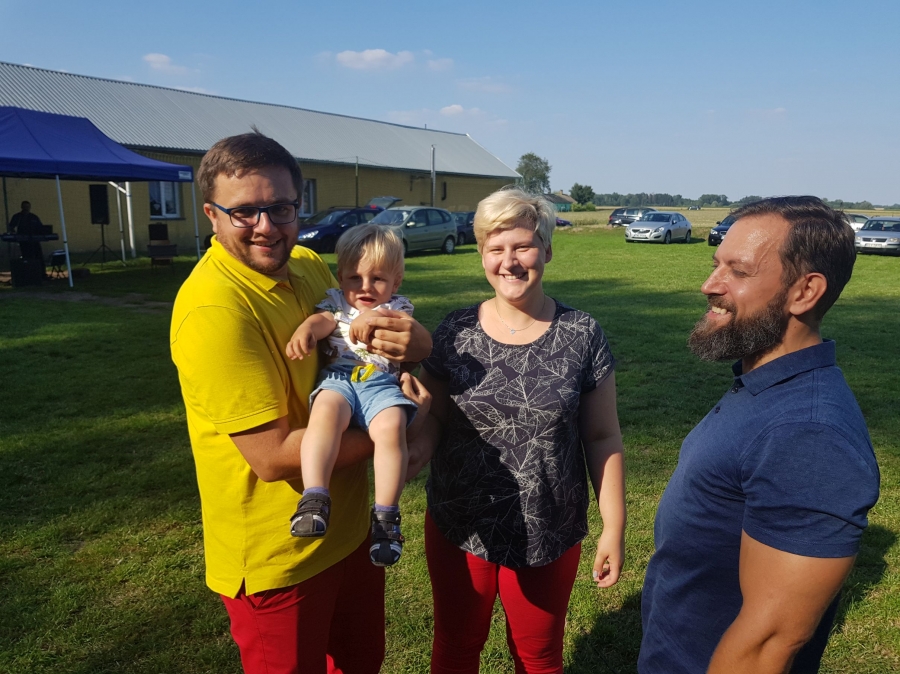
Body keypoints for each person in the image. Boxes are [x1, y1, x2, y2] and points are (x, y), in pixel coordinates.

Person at [170, 131, 432, 674]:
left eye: (281, 207)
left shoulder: (310, 265)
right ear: (211, 215)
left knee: (361, 664)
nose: (267, 226)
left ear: (298, 205)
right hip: (280, 559)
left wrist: (419, 347)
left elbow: (380, 335)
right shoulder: (215, 310)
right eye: (244, 212)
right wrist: (400, 429)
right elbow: (271, 457)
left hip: (353, 532)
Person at [639, 196, 881, 674]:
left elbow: (769, 642)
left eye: (739, 271)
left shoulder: (808, 434)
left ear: (805, 292)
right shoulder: (764, 385)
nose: (710, 285)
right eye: (716, 264)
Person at [415, 187, 626, 673]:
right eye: (496, 248)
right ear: (481, 255)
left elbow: (602, 437)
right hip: (460, 521)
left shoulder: (582, 334)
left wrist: (613, 527)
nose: (509, 262)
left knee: (538, 657)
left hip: (548, 525)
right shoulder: (454, 332)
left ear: (546, 250)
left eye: (523, 246)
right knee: (456, 646)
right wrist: (404, 454)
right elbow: (433, 420)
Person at [286, 224, 418, 567]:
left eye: (377, 278)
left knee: (391, 428)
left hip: (380, 384)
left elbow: (401, 323)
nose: (365, 287)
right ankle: (314, 497)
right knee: (324, 416)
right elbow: (323, 321)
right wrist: (307, 329)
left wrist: (375, 315)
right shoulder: (335, 303)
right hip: (339, 379)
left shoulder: (398, 306)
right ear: (341, 277)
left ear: (396, 282)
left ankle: (386, 516)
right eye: (354, 278)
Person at [8, 200, 46, 273]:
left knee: (38, 256)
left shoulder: (34, 217)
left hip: (34, 240)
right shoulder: (17, 217)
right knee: (27, 256)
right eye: (24, 207)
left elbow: (41, 227)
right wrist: (14, 233)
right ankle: (28, 273)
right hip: (23, 241)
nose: (26, 208)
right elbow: (11, 227)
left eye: (27, 207)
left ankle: (41, 273)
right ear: (21, 207)